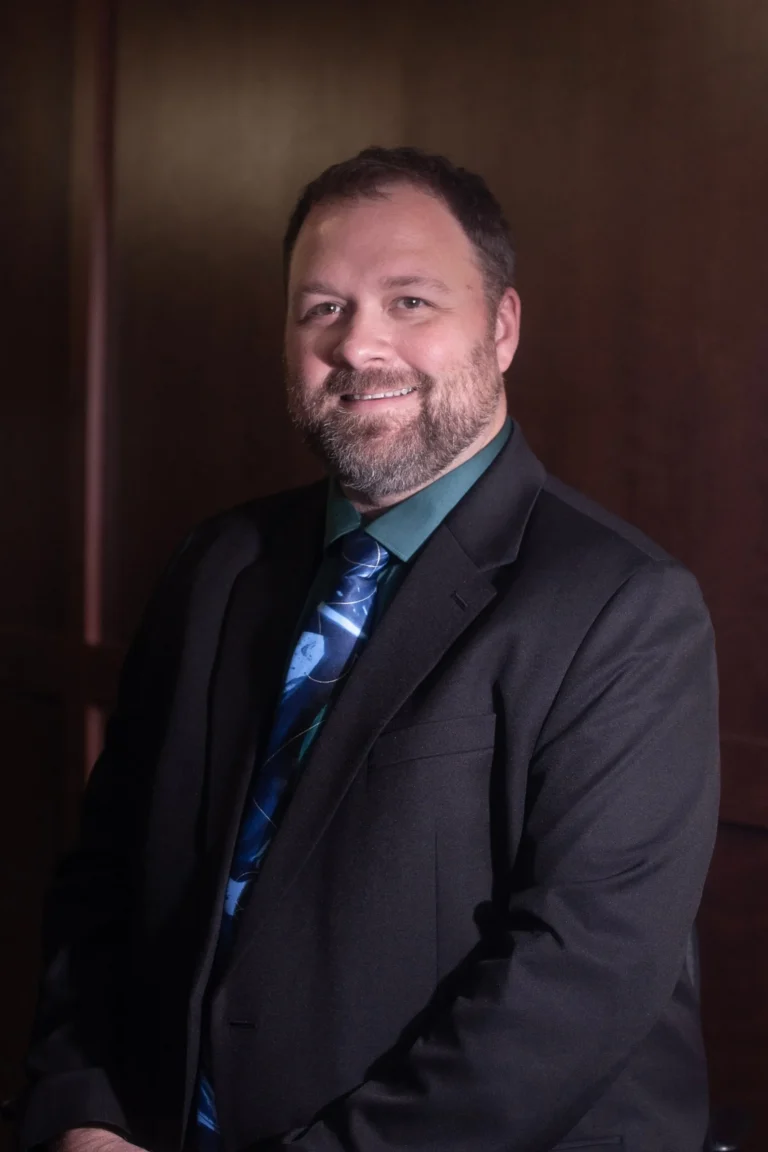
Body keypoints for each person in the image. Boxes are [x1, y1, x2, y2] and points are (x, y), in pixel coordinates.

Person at [18, 147, 719, 1152]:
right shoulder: (218, 566)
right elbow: (108, 875)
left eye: (411, 302)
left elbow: (576, 984)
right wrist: (83, 1105)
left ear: (503, 327)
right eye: (323, 310)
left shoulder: (623, 609)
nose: (359, 347)